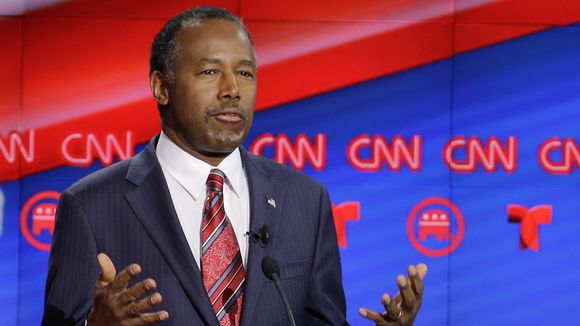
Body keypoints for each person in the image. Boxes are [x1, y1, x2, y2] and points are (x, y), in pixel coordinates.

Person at [42, 6, 427, 326]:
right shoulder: (92, 205)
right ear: (161, 87)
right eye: (210, 72)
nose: (232, 89)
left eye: (244, 73)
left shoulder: (305, 201)